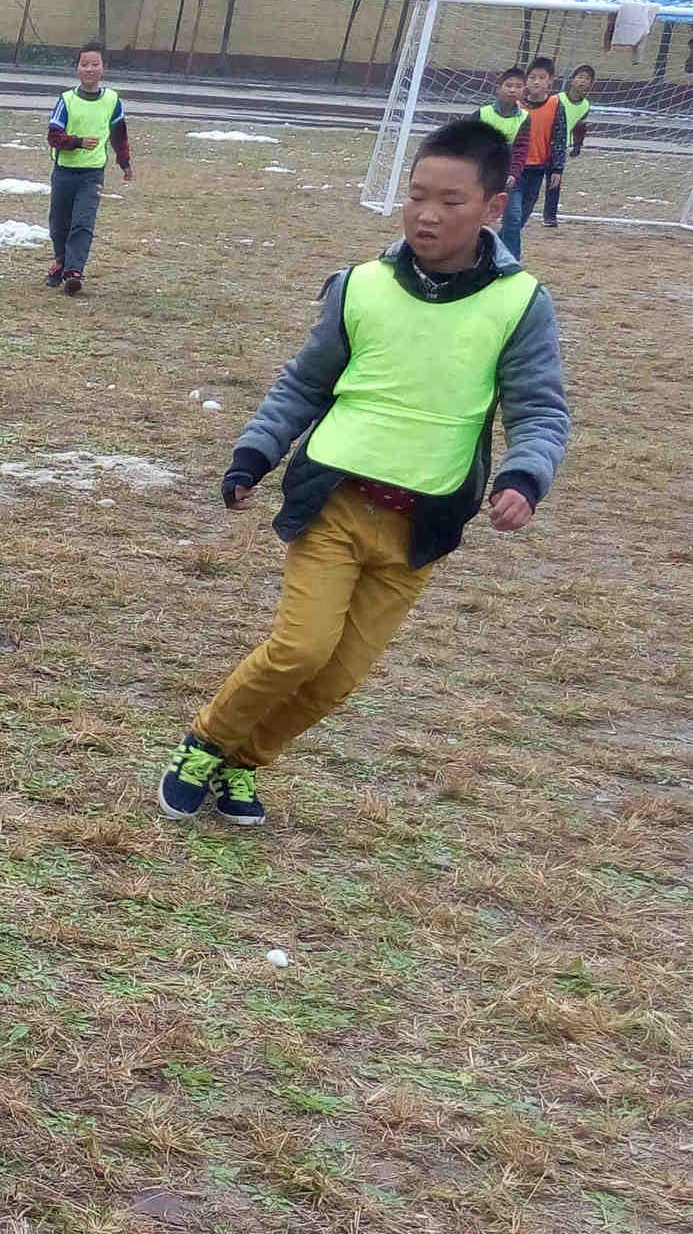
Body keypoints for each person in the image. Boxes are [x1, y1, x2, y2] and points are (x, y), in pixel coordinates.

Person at [156, 119, 568, 828]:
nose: (426, 214)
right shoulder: (359, 287)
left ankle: (245, 762)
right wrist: (254, 454)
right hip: (334, 505)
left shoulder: (518, 303)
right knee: (299, 649)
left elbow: (539, 409)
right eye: (415, 195)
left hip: (420, 525)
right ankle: (204, 742)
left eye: (449, 200)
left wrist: (522, 477)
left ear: (493, 208)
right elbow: (300, 386)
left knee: (340, 678)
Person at [45, 43, 133, 298]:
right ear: (77, 68)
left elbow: (119, 134)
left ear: (104, 68)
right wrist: (77, 142)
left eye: (95, 64)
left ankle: (74, 273)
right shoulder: (66, 100)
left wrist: (124, 162)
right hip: (64, 172)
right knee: (58, 225)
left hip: (92, 174)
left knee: (83, 223)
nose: (90, 69)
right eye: (85, 64)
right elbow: (53, 136)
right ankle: (61, 261)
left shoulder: (112, 100)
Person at [501, 57, 558, 258]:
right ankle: (511, 262)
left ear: (550, 81)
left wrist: (557, 169)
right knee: (513, 218)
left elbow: (559, 138)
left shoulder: (555, 104)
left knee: (520, 218)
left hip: (538, 170)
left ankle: (494, 248)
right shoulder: (515, 105)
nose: (536, 82)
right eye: (532, 77)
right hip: (514, 170)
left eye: (541, 78)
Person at [543, 64, 595, 227]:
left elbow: (580, 125)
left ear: (590, 84)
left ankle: (550, 216)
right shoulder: (557, 99)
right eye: (579, 77)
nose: (582, 81)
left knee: (555, 181)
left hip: (560, 148)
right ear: (572, 81)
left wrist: (578, 144)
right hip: (542, 145)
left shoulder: (585, 105)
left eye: (587, 79)